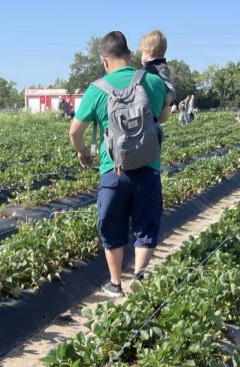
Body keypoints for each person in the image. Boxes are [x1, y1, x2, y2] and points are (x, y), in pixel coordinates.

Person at [69, 30, 169, 298]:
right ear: (129, 55)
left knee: (112, 226)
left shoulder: (96, 89)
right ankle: (139, 277)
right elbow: (164, 116)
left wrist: (83, 153)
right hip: (148, 166)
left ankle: (115, 284)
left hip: (112, 170)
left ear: (105, 61)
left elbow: (74, 131)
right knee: (145, 225)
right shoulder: (152, 81)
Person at [140, 29, 176, 108]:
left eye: (143, 51)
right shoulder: (145, 69)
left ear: (149, 52)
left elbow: (170, 89)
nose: (141, 55)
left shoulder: (160, 68)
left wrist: (168, 99)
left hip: (152, 109)